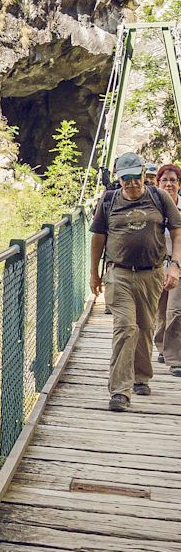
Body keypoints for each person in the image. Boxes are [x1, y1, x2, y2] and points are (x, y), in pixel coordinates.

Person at [90, 152, 181, 410]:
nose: (131, 183)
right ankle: (120, 390)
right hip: (118, 273)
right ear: (119, 179)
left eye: (135, 177)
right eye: (125, 179)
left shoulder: (159, 197)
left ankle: (141, 376)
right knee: (125, 327)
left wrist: (174, 264)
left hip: (151, 273)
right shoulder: (108, 201)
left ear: (144, 175)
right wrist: (94, 273)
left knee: (144, 326)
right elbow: (98, 237)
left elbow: (177, 230)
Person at [156, 163, 181, 368]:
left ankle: (174, 358)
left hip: (178, 263)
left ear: (179, 184)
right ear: (158, 183)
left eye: (173, 180)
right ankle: (161, 346)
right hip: (155, 265)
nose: (169, 184)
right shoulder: (153, 207)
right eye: (164, 180)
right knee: (159, 309)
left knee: (175, 310)